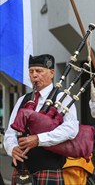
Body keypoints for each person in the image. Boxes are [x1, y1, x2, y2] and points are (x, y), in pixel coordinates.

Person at [4, 54, 79, 184]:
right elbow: (10, 132)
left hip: (48, 168)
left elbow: (71, 129)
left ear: (51, 73)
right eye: (31, 71)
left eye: (39, 71)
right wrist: (12, 148)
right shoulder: (23, 100)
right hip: (22, 169)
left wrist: (39, 139)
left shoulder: (62, 98)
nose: (34, 75)